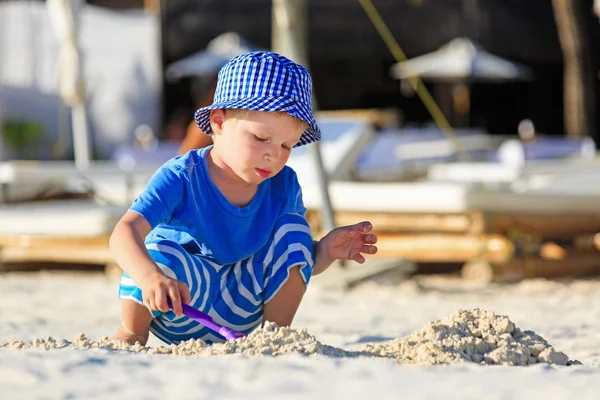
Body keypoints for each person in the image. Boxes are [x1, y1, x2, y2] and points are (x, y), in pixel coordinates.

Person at [110, 51, 378, 345]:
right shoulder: (182, 176)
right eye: (261, 138)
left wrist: (324, 251)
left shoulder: (284, 185)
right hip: (179, 301)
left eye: (287, 145)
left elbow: (288, 261)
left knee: (295, 232)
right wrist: (149, 278)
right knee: (158, 251)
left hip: (244, 312)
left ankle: (272, 338)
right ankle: (132, 331)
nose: (273, 154)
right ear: (218, 123)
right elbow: (124, 232)